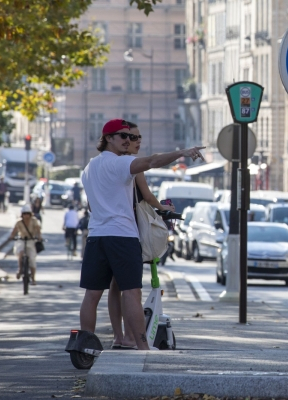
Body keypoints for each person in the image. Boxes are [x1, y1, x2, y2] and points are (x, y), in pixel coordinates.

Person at [79, 118, 204, 351]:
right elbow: (153, 161)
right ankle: (142, 347)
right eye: (123, 136)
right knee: (131, 292)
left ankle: (84, 345)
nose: (128, 140)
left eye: (131, 136)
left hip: (96, 236)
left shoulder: (89, 168)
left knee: (92, 293)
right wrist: (183, 153)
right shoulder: (122, 163)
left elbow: (91, 207)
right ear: (108, 138)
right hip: (122, 236)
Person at [107, 121, 175, 349]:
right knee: (130, 289)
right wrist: (165, 209)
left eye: (138, 137)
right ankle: (132, 339)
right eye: (131, 137)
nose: (136, 141)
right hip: (128, 230)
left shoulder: (108, 164)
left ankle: (119, 337)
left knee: (115, 286)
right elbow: (146, 196)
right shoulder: (132, 165)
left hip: (107, 230)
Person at [9, 205, 43, 284]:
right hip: (21, 240)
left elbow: (38, 230)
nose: (26, 215)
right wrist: (11, 237)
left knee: (32, 259)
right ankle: (20, 269)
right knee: (20, 252)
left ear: (30, 214)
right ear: (22, 214)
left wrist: (39, 237)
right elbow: (14, 231)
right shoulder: (19, 222)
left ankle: (33, 278)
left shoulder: (34, 221)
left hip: (31, 241)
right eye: (24, 214)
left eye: (28, 213)